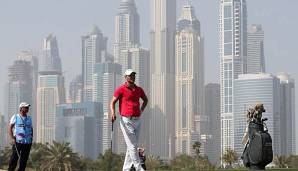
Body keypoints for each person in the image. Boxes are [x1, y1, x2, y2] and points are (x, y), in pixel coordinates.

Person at [110, 69, 148, 171]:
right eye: (130, 75)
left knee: (131, 146)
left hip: (137, 120)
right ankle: (139, 168)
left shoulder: (139, 89)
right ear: (125, 77)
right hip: (126, 120)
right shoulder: (121, 89)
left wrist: (141, 110)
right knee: (133, 145)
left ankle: (126, 169)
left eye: (133, 75)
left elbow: (145, 100)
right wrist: (113, 113)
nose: (132, 77)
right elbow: (112, 102)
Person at [7, 102, 33, 171]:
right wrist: (12, 138)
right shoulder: (15, 117)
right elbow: (10, 128)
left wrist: (31, 138)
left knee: (24, 160)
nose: (27, 109)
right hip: (18, 141)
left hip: (27, 142)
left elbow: (31, 128)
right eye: (26, 107)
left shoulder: (29, 118)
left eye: (28, 107)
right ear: (21, 108)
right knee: (14, 158)